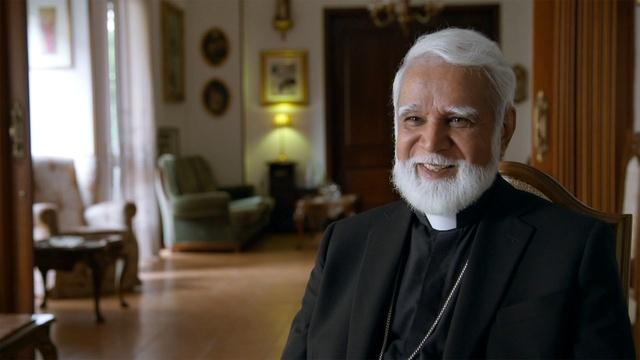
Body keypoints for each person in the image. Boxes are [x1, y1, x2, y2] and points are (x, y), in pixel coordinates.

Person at [282, 28, 635, 359]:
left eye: (458, 120)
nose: (432, 143)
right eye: (414, 119)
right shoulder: (344, 243)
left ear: (504, 130)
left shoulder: (572, 248)